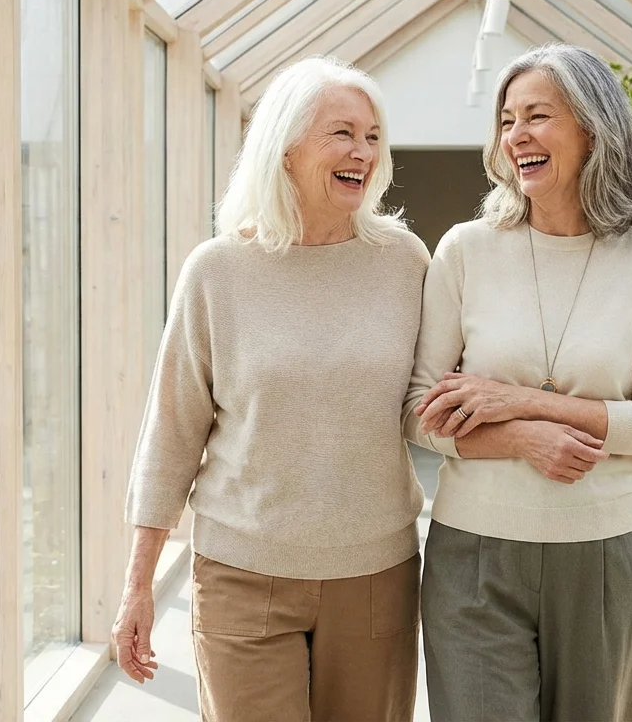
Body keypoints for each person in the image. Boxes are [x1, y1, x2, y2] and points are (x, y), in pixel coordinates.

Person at [116, 55, 427, 722]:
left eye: (373, 136)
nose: (362, 152)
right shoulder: (218, 271)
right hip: (241, 573)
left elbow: (430, 404)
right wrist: (137, 586)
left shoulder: (404, 263)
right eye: (341, 133)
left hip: (375, 574)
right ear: (285, 146)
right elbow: (171, 432)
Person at [405, 43, 632, 722]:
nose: (517, 136)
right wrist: (521, 439)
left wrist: (516, 401)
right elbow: (419, 413)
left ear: (593, 128)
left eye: (538, 116)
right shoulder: (466, 250)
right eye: (507, 121)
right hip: (473, 558)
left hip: (602, 563)